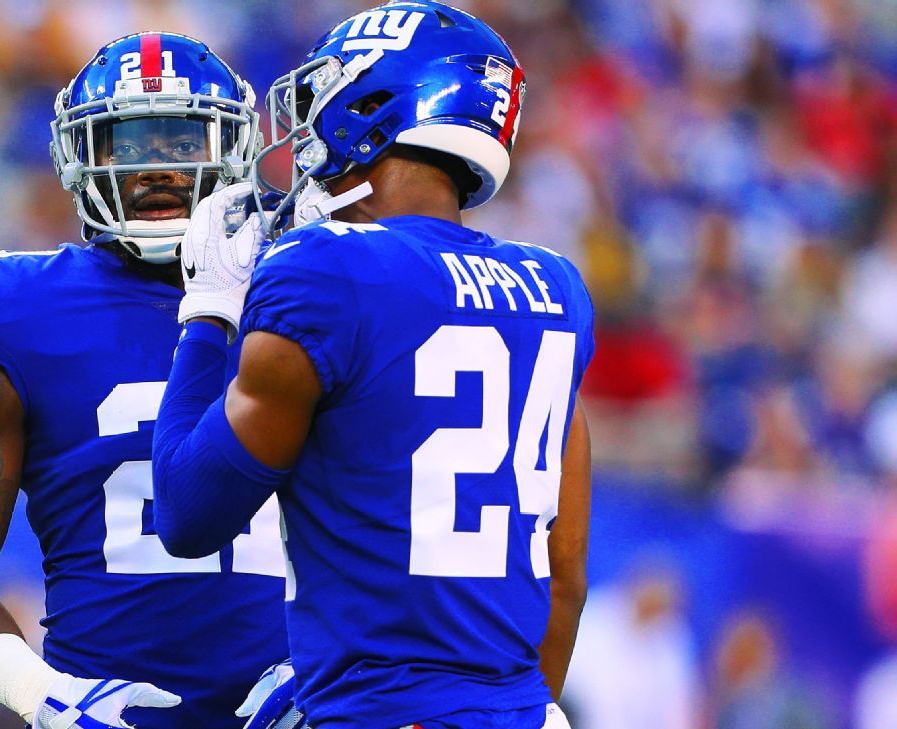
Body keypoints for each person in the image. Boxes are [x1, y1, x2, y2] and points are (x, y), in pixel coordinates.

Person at [151, 3, 594, 728]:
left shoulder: (325, 267)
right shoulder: (555, 286)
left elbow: (186, 513)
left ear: (371, 107)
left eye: (321, 100)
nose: (306, 132)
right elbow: (565, 574)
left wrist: (207, 311)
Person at [0, 32, 289, 729]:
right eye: (126, 145)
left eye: (183, 142)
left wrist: (339, 668)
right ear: (79, 158)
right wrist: (40, 693)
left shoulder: (313, 289)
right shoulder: (11, 307)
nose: (156, 170)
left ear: (235, 148)